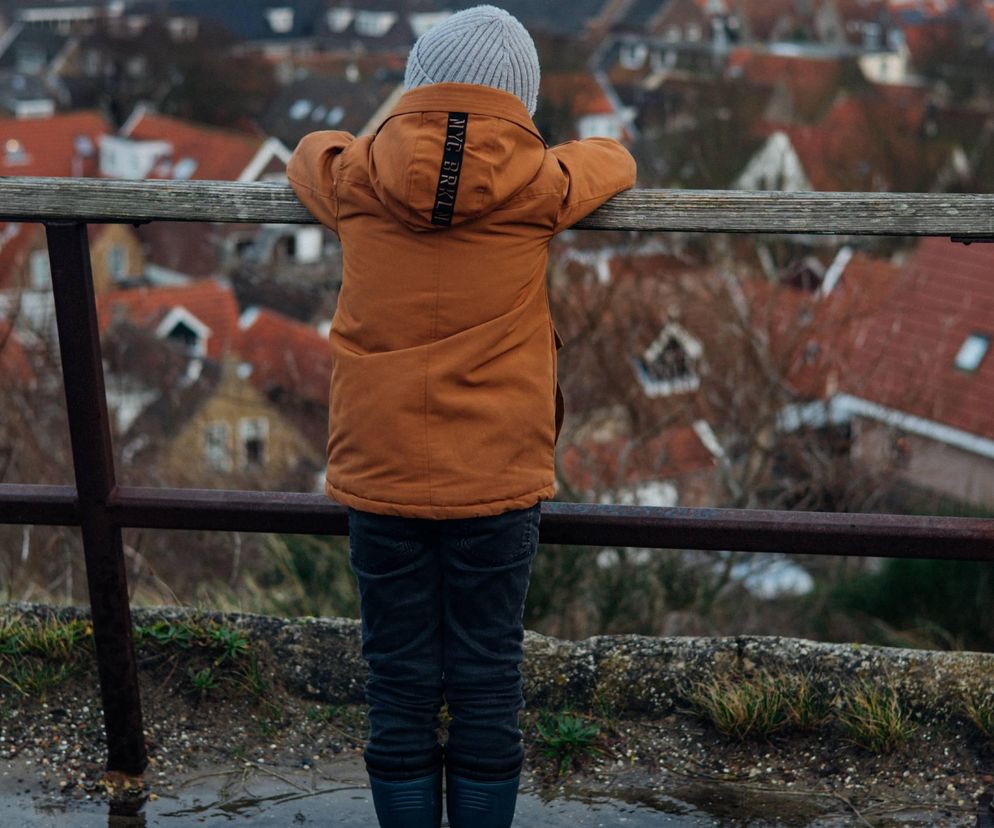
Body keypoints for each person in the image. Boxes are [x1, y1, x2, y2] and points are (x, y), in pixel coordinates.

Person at [287, 6, 635, 826]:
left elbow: (307, 154)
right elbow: (613, 158)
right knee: (486, 674)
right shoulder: (543, 184)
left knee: (398, 679)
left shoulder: (356, 175)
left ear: (413, 85)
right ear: (522, 100)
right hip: (498, 470)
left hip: (378, 468)